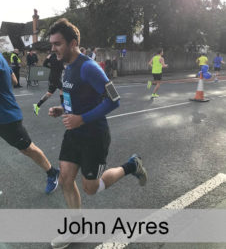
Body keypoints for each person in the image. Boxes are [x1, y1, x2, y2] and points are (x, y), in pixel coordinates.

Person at [47, 18, 147, 249]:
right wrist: (64, 110)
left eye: (57, 44)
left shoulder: (88, 67)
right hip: (74, 133)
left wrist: (81, 118)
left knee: (90, 188)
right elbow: (81, 98)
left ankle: (132, 165)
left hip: (94, 136)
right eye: (52, 44)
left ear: (73, 43)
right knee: (65, 179)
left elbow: (114, 100)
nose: (53, 49)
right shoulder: (67, 66)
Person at [0, 52, 59, 194]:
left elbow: (13, 80)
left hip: (6, 117)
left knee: (27, 148)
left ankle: (52, 172)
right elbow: (14, 80)